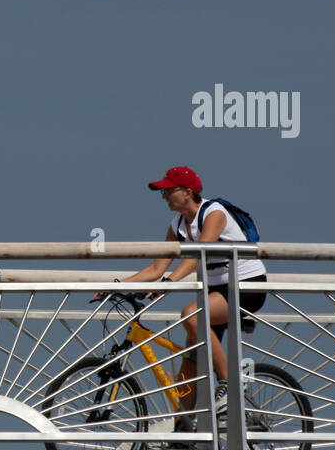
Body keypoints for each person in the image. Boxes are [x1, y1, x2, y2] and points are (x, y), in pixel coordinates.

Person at [108, 166, 268, 433]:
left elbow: (197, 256)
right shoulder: (178, 224)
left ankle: (230, 386)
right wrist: (114, 286)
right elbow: (157, 268)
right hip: (216, 291)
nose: (164, 196)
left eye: (169, 190)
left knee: (191, 315)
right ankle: (184, 427)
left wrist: (169, 283)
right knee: (190, 359)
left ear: (188, 191)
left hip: (246, 287)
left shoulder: (214, 213)